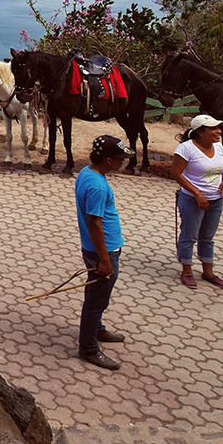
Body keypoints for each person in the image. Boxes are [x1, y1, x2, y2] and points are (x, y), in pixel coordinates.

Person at [75, 135, 132, 371]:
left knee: (97, 296)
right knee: (96, 301)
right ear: (109, 160)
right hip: (103, 252)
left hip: (99, 249)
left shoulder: (86, 173)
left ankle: (96, 329)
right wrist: (105, 260)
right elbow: (95, 223)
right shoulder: (97, 186)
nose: (123, 163)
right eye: (120, 159)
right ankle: (88, 348)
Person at [171, 114, 223, 289]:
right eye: (214, 128)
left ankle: (208, 271)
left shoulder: (219, 147)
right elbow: (176, 174)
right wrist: (197, 194)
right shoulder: (185, 149)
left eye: (219, 128)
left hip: (215, 200)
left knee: (207, 237)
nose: (218, 131)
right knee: (189, 235)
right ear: (200, 132)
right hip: (191, 200)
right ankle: (187, 270)